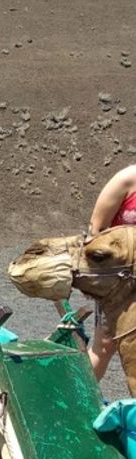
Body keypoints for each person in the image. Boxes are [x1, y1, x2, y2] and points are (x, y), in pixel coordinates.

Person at [86, 163, 136, 380]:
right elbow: (94, 231)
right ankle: (78, 405)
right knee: (105, 346)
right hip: (119, 281)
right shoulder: (126, 180)